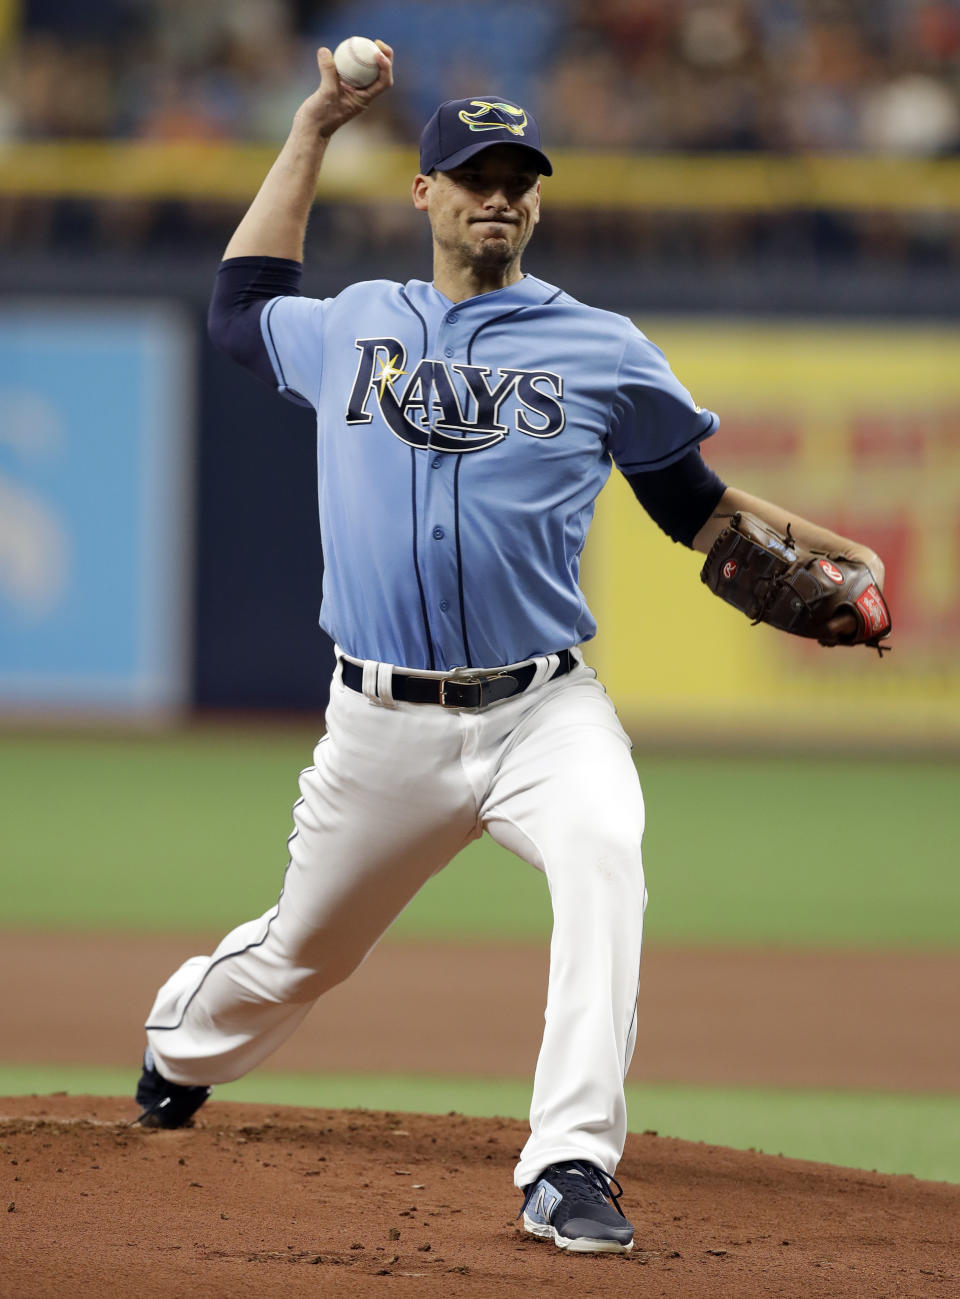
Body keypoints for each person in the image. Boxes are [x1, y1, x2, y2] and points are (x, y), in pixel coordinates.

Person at [133, 42, 886, 1255]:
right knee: (297, 956)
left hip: (546, 708)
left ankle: (569, 1165)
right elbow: (235, 308)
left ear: (537, 198)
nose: (499, 195)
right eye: (474, 175)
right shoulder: (356, 325)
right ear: (426, 195)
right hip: (382, 724)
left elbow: (692, 503)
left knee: (605, 856)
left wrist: (828, 549)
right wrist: (317, 124)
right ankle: (179, 1049)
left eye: (518, 176)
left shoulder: (603, 346)